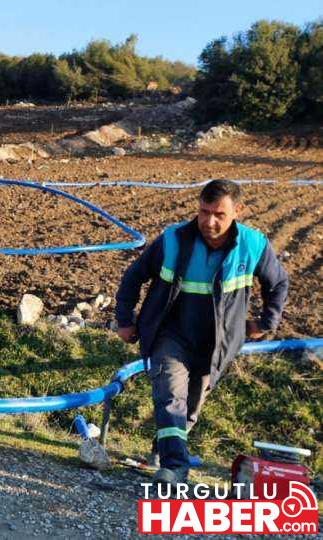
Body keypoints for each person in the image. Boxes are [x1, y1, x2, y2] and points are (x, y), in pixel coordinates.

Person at [113, 179, 288, 484]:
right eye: (204, 211)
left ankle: (164, 448)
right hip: (169, 334)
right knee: (170, 397)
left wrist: (265, 323)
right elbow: (134, 276)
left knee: (190, 409)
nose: (209, 221)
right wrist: (125, 320)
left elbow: (277, 284)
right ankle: (174, 468)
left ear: (238, 211)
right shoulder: (173, 240)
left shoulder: (253, 245)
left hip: (215, 344)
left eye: (219, 214)